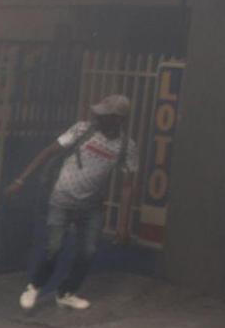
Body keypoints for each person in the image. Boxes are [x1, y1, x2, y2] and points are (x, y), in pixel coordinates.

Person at [8, 94, 137, 311]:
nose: (98, 117)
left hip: (91, 207)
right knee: (54, 248)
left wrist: (123, 225)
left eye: (104, 115)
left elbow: (127, 186)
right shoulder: (82, 130)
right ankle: (35, 286)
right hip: (62, 199)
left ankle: (66, 293)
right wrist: (21, 179)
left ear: (118, 119)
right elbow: (48, 152)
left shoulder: (126, 146)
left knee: (88, 252)